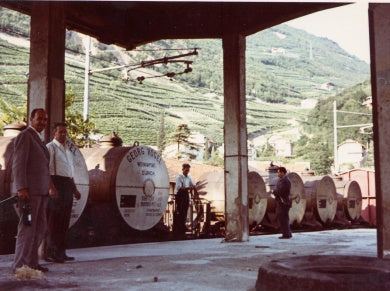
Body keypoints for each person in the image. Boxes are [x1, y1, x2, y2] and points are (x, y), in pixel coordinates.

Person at [12, 108, 55, 272]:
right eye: (39, 119)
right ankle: (19, 266)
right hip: (30, 194)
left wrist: (49, 187)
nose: (43, 122)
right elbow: (18, 164)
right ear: (31, 119)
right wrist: (21, 188)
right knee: (27, 227)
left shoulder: (38, 139)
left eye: (45, 120)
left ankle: (31, 263)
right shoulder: (24, 137)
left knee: (40, 228)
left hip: (41, 194)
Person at [45, 122, 81, 263]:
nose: (63, 134)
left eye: (65, 132)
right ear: (54, 133)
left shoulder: (68, 151)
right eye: (60, 132)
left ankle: (61, 252)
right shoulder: (50, 147)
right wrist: (51, 187)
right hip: (56, 183)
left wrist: (75, 189)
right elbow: (46, 170)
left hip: (67, 185)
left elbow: (69, 174)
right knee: (54, 220)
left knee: (65, 220)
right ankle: (51, 253)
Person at [174, 163, 195, 238]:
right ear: (182, 169)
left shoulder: (189, 177)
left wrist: (193, 188)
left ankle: (183, 229)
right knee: (181, 212)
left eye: (188, 170)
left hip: (186, 195)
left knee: (185, 212)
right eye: (186, 170)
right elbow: (179, 187)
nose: (187, 171)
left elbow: (193, 185)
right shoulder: (179, 177)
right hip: (180, 196)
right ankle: (179, 230)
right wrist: (188, 188)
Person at [272, 166, 292, 239]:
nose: (278, 174)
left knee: (283, 218)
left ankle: (286, 234)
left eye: (278, 172)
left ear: (282, 173)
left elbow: (281, 192)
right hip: (285, 202)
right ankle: (288, 233)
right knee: (285, 218)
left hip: (283, 202)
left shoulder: (285, 181)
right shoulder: (284, 180)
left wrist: (273, 191)